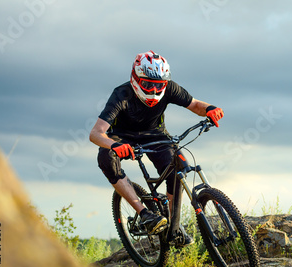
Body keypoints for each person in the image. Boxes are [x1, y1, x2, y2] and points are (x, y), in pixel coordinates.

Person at [89, 50, 224, 247]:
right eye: (148, 84)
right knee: (106, 158)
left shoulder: (170, 89)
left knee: (176, 170)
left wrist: (210, 108)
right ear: (136, 78)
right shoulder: (121, 94)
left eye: (158, 85)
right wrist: (115, 145)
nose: (153, 90)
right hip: (122, 136)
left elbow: (194, 104)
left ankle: (173, 225)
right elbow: (96, 133)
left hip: (155, 134)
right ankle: (143, 213)